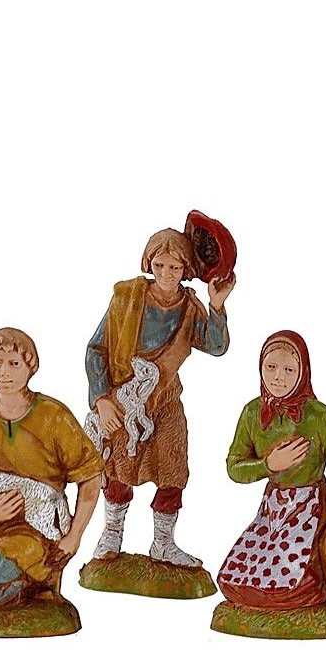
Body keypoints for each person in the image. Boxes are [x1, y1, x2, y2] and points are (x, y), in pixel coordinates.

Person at [85, 227, 234, 567]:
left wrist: (217, 305)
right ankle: (112, 533)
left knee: (172, 466)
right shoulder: (127, 298)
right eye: (160, 265)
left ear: (186, 270)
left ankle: (164, 543)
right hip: (125, 398)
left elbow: (215, 345)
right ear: (149, 263)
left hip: (165, 399)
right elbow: (96, 349)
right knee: (120, 466)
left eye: (175, 267)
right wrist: (102, 399)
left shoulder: (189, 307)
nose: (167, 274)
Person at [0, 329, 105, 608]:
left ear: (30, 367)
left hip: (37, 531)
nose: (4, 373)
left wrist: (74, 537)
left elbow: (91, 476)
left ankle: (33, 587)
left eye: (14, 363)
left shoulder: (53, 416)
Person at [218, 331, 326, 608]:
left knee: (293, 585)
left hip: (311, 507)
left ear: (303, 372)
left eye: (289, 370)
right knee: (234, 581)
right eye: (271, 367)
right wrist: (268, 465)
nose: (278, 377)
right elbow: (234, 467)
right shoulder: (252, 413)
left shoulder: (318, 416)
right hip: (273, 509)